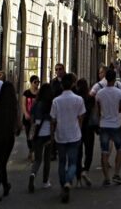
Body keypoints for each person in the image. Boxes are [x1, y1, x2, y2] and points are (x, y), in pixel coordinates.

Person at [50, 74, 86, 203]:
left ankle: (63, 184)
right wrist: (79, 129)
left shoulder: (56, 101)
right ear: (72, 85)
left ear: (61, 85)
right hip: (74, 134)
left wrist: (52, 135)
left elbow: (53, 120)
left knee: (61, 162)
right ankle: (68, 182)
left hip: (60, 134)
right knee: (72, 162)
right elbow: (81, 117)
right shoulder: (78, 99)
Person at [94, 67, 121, 187]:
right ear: (114, 79)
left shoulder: (99, 93)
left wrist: (98, 123)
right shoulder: (119, 93)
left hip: (104, 125)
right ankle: (116, 174)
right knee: (120, 149)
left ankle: (106, 177)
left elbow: (97, 111)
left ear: (106, 79)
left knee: (104, 151)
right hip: (116, 125)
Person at [27, 83, 54, 193]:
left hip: (37, 134)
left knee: (38, 159)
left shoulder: (36, 103)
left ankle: (33, 175)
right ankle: (45, 181)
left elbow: (32, 119)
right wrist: (52, 135)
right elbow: (52, 121)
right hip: (47, 133)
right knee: (47, 159)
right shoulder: (51, 104)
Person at [74, 78, 96, 188]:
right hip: (88, 128)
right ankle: (85, 170)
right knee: (89, 151)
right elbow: (93, 112)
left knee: (78, 154)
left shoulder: (76, 99)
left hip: (77, 128)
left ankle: (78, 179)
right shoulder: (90, 98)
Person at [22, 76, 40, 161]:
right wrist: (25, 113)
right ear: (31, 82)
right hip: (27, 117)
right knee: (28, 135)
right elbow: (23, 104)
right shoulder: (26, 93)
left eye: (38, 82)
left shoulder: (39, 93)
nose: (37, 84)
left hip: (36, 117)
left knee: (33, 135)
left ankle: (33, 152)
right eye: (35, 82)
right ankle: (30, 150)